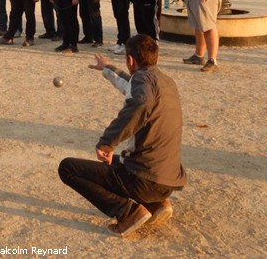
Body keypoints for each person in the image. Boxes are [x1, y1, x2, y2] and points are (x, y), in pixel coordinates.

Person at [58, 34, 187, 237]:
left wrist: (107, 143)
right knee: (118, 163)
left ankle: (127, 212)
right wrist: (108, 68)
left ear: (130, 60)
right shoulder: (166, 82)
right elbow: (132, 87)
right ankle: (156, 204)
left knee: (68, 168)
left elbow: (140, 102)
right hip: (167, 181)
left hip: (145, 181)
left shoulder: (142, 83)